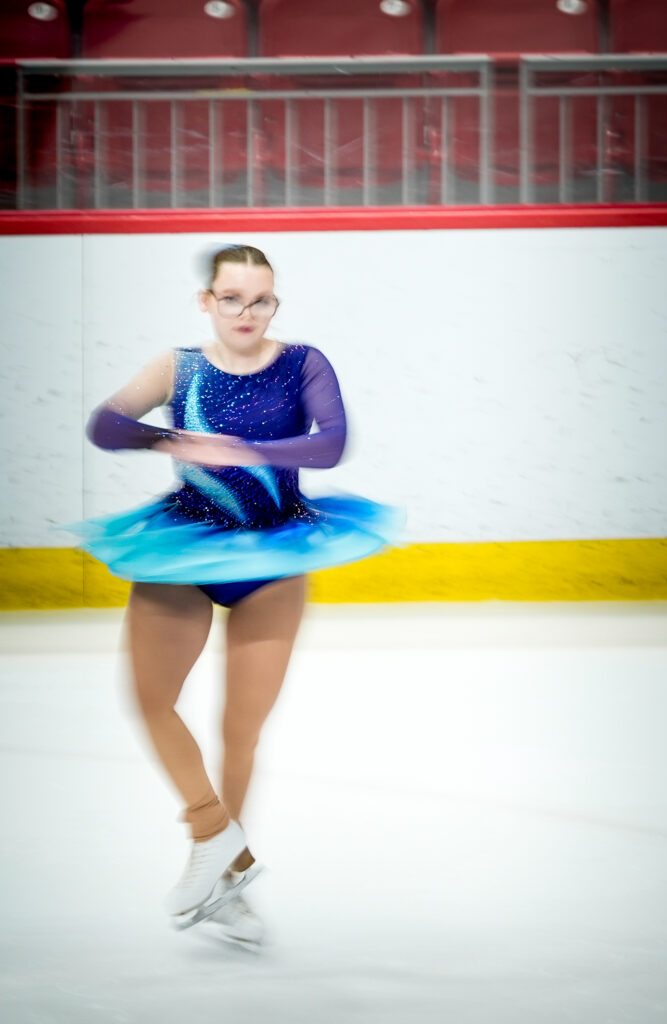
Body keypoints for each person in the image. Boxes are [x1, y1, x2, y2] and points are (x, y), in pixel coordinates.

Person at [75, 244, 399, 939]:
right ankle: (215, 837)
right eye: (232, 299)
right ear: (207, 301)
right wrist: (168, 442)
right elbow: (104, 425)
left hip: (275, 554)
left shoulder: (302, 362)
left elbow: (332, 443)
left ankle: (228, 884)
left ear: (273, 303)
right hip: (185, 549)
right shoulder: (178, 366)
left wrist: (240, 450)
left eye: (261, 300)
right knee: (150, 700)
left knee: (238, 731)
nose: (246, 313)